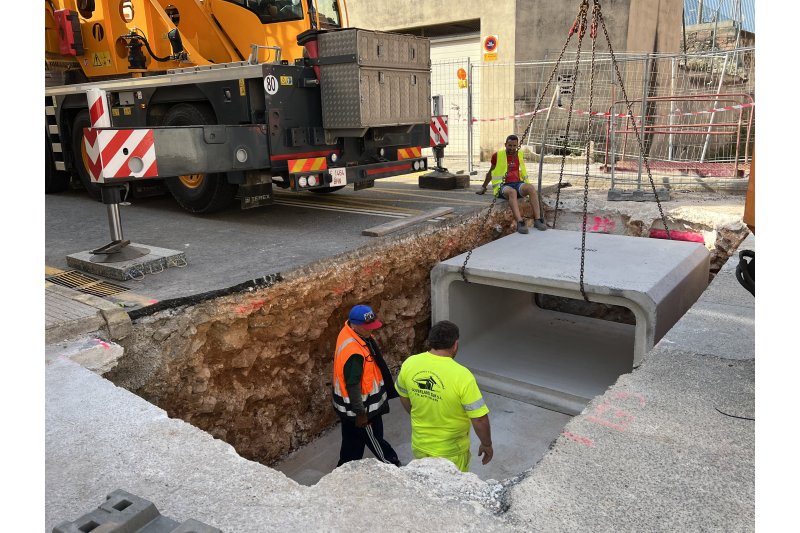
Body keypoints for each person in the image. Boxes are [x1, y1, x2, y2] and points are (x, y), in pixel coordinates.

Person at [396, 320, 493, 472]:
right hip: (451, 453)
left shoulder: (410, 363)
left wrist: (419, 414)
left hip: (420, 445)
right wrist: (486, 444)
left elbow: (403, 396)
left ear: (430, 341)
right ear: (455, 344)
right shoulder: (462, 376)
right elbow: (479, 419)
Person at [332, 304, 401, 467]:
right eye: (367, 327)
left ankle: (345, 469)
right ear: (355, 324)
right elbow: (353, 385)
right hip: (363, 409)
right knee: (375, 439)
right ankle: (392, 464)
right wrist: (361, 414)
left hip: (349, 409)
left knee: (352, 442)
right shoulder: (354, 353)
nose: (371, 330)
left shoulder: (350, 333)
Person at [477, 134, 547, 233]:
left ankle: (538, 220)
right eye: (510, 145)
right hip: (503, 186)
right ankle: (520, 222)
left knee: (531, 188)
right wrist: (483, 187)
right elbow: (491, 172)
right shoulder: (497, 156)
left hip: (517, 183)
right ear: (505, 144)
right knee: (512, 192)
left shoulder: (519, 154)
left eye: (514, 146)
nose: (512, 148)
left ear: (517, 145)